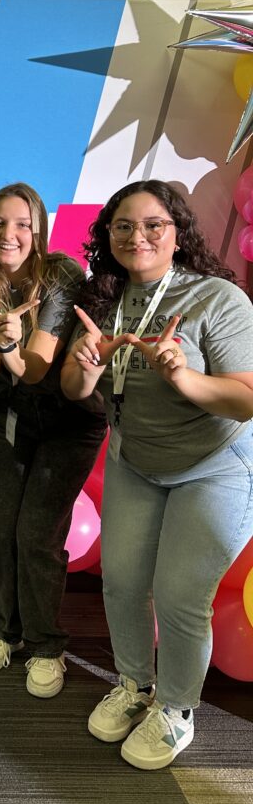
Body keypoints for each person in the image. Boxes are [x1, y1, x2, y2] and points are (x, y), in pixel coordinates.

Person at [61, 179, 253, 770]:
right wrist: (85, 367)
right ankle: (135, 685)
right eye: (123, 226)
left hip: (211, 466)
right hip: (134, 460)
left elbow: (245, 398)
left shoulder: (217, 299)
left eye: (153, 225)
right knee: (120, 583)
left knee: (179, 595)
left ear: (177, 234)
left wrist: (185, 378)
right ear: (108, 236)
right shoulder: (101, 301)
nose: (138, 236)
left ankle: (175, 708)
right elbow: (73, 390)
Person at [0, 183, 106, 697]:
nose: (7, 234)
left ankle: (46, 645)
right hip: (14, 415)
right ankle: (6, 629)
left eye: (21, 224)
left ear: (37, 230)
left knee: (37, 535)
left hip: (68, 420)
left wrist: (10, 343)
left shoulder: (59, 273)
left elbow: (34, 369)